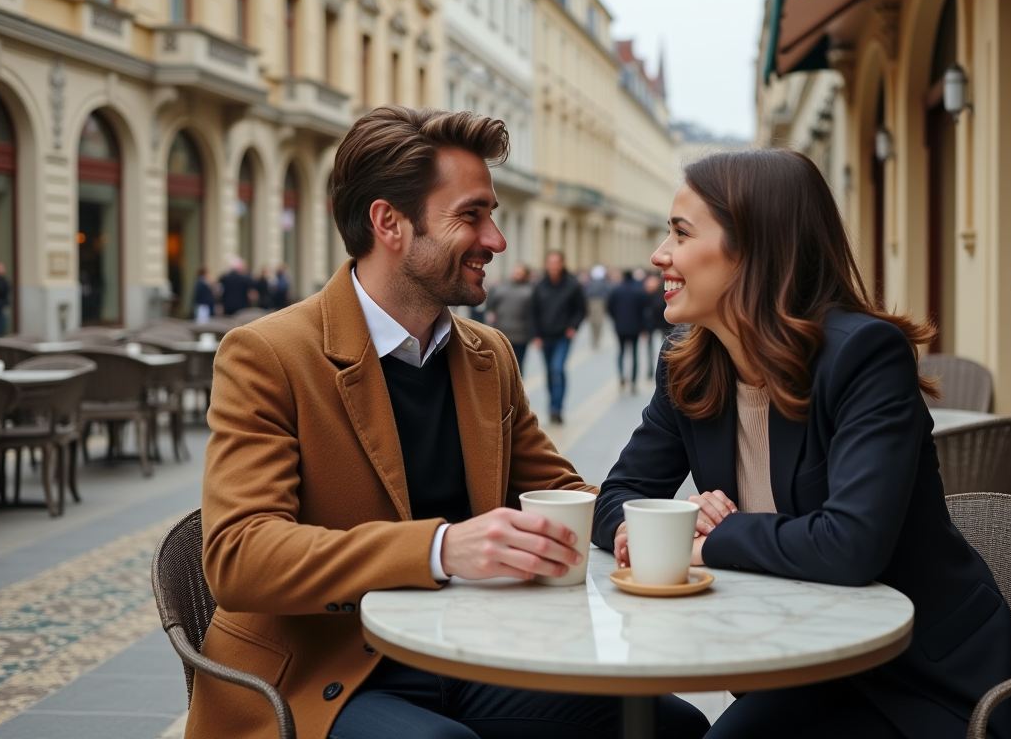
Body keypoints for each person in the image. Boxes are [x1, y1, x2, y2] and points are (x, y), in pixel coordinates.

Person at [193, 106, 708, 739]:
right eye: (471, 215)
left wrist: (655, 522)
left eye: (490, 215)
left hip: (466, 653)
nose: (496, 239)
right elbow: (239, 556)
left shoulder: (487, 354)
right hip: (323, 671)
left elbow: (561, 492)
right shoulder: (269, 354)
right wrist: (442, 549)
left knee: (670, 724)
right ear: (390, 223)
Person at [592, 148, 1011, 739]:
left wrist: (718, 535)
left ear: (753, 247)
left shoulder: (863, 356)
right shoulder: (690, 366)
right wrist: (665, 523)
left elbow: (851, 545)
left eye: (680, 232)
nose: (659, 254)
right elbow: (616, 496)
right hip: (802, 662)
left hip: (921, 681)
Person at [528, 250, 585, 424]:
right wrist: (535, 335)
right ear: (546, 265)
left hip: (563, 336)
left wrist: (573, 326)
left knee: (557, 369)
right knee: (549, 373)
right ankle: (552, 405)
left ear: (562, 264)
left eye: (556, 262)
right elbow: (532, 312)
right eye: (550, 262)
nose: (553, 266)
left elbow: (581, 309)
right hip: (545, 337)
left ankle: (556, 409)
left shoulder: (573, 285)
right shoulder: (539, 286)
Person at [485, 262, 535, 371]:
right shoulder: (500, 288)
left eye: (519, 272)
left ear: (526, 274)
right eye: (515, 271)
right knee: (502, 365)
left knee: (517, 365)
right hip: (501, 333)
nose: (516, 273)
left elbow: (533, 314)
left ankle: (517, 387)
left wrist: (533, 334)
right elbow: (490, 305)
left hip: (521, 335)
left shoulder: (531, 291)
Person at [606, 270, 648, 392]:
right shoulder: (639, 292)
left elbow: (609, 308)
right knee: (635, 354)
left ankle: (621, 376)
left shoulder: (616, 291)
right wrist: (644, 327)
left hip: (620, 327)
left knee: (621, 352)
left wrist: (616, 319)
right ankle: (634, 381)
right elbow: (643, 311)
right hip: (635, 327)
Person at [644, 272, 671, 379]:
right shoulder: (654, 292)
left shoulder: (662, 291)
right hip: (661, 324)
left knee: (663, 348)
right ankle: (655, 370)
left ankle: (657, 370)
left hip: (662, 324)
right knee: (660, 348)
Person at [584, 264, 611, 348]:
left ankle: (597, 340)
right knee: (592, 322)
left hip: (600, 302)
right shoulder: (591, 283)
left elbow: (607, 293)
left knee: (598, 322)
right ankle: (594, 339)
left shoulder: (604, 283)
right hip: (591, 302)